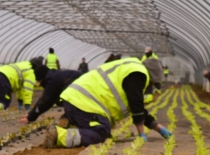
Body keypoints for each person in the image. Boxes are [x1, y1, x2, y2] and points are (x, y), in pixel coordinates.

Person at [43, 56, 172, 148]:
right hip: (85, 103)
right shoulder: (138, 75)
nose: (149, 86)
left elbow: (138, 109)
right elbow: (136, 105)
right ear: (151, 76)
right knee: (101, 131)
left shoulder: (131, 67)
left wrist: (159, 128)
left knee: (94, 125)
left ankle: (68, 122)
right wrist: (141, 133)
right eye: (152, 83)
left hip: (76, 100)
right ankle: (59, 135)